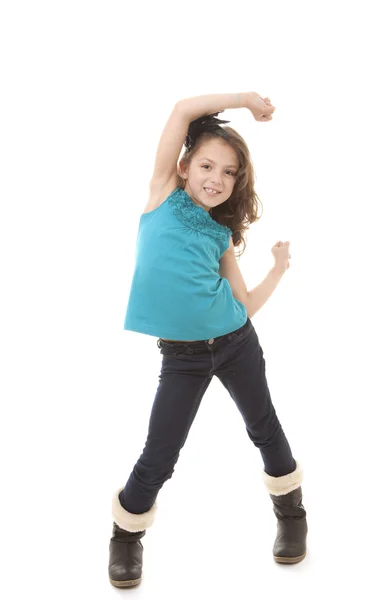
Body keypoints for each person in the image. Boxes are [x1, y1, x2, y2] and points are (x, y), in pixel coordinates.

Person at [108, 92, 308, 588]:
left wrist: (278, 270)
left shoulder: (221, 236)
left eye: (228, 173)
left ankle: (292, 516)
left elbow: (241, 306)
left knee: (264, 428)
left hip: (237, 343)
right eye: (207, 166)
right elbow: (180, 110)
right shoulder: (160, 196)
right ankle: (125, 536)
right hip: (183, 357)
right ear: (183, 166)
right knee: (161, 452)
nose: (216, 179)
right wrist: (244, 100)